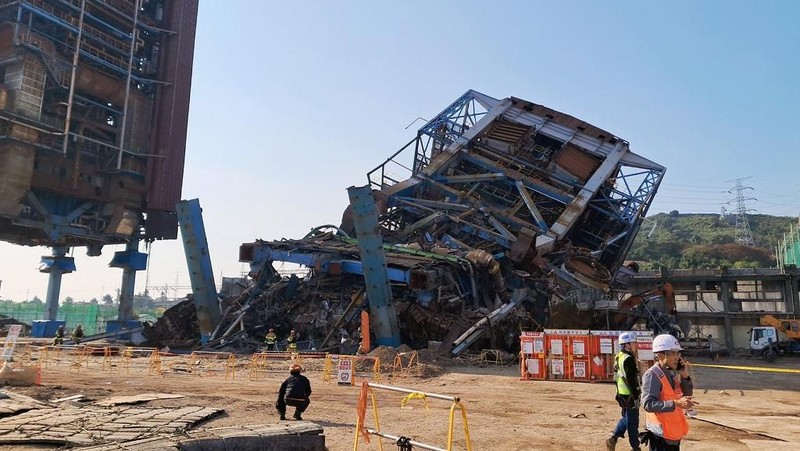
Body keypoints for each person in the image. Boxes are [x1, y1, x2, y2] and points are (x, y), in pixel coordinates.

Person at [640, 334, 697, 450]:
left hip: (673, 434)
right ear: (660, 354)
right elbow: (647, 404)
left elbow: (686, 394)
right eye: (672, 353)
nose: (677, 357)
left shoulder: (672, 373)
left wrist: (685, 376)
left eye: (678, 353)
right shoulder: (652, 375)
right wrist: (676, 404)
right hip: (660, 437)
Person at [607, 331, 642, 451]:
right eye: (634, 342)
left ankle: (613, 437)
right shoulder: (628, 359)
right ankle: (635, 447)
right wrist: (637, 396)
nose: (636, 345)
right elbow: (632, 380)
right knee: (633, 423)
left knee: (626, 418)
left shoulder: (619, 356)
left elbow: (617, 377)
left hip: (622, 394)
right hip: (630, 396)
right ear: (627, 344)